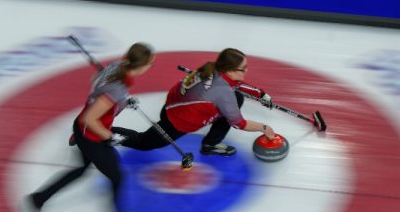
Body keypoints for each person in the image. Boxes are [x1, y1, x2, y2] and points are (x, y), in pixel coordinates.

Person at [24, 42, 155, 212]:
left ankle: (38, 199)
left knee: (81, 170)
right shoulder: (117, 88)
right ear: (141, 66)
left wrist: (125, 101)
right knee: (118, 176)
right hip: (91, 134)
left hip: (83, 129)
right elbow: (91, 119)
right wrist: (110, 136)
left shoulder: (116, 66)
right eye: (150, 63)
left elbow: (95, 81)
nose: (151, 66)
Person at [112, 48, 277, 156]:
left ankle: (210, 144)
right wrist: (264, 128)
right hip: (177, 122)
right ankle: (103, 134)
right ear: (230, 70)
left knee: (237, 97)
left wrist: (260, 94)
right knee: (144, 143)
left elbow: (236, 86)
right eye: (244, 68)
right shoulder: (223, 92)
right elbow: (239, 123)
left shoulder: (211, 67)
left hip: (173, 106)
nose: (246, 71)